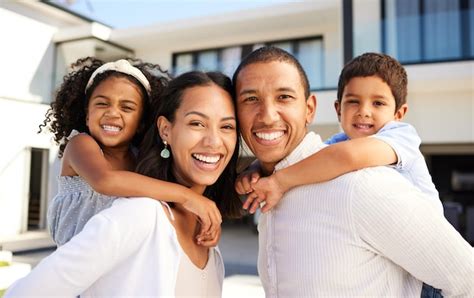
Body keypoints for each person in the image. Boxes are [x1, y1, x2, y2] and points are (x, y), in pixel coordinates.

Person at [232, 46, 473, 297]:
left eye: (284, 97)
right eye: (251, 99)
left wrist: (279, 180)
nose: (268, 116)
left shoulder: (364, 181)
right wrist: (259, 169)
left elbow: (467, 278)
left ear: (310, 109)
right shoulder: (322, 158)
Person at [5, 71, 242, 297]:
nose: (213, 141)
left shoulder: (209, 243)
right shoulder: (140, 212)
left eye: (227, 126)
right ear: (165, 130)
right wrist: (188, 196)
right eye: (197, 123)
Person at [41, 58, 222, 247]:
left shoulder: (141, 159)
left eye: (126, 107)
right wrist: (187, 196)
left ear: (142, 122)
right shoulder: (80, 144)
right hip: (80, 266)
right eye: (102, 104)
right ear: (87, 114)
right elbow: (106, 180)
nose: (112, 113)